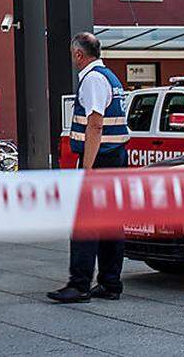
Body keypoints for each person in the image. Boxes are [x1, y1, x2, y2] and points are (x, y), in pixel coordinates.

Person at [48, 31, 129, 304]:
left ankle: (80, 285)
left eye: (73, 55)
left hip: (100, 158)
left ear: (79, 54)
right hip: (116, 156)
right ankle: (110, 283)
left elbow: (95, 124)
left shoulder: (92, 80)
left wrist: (88, 168)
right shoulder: (112, 78)